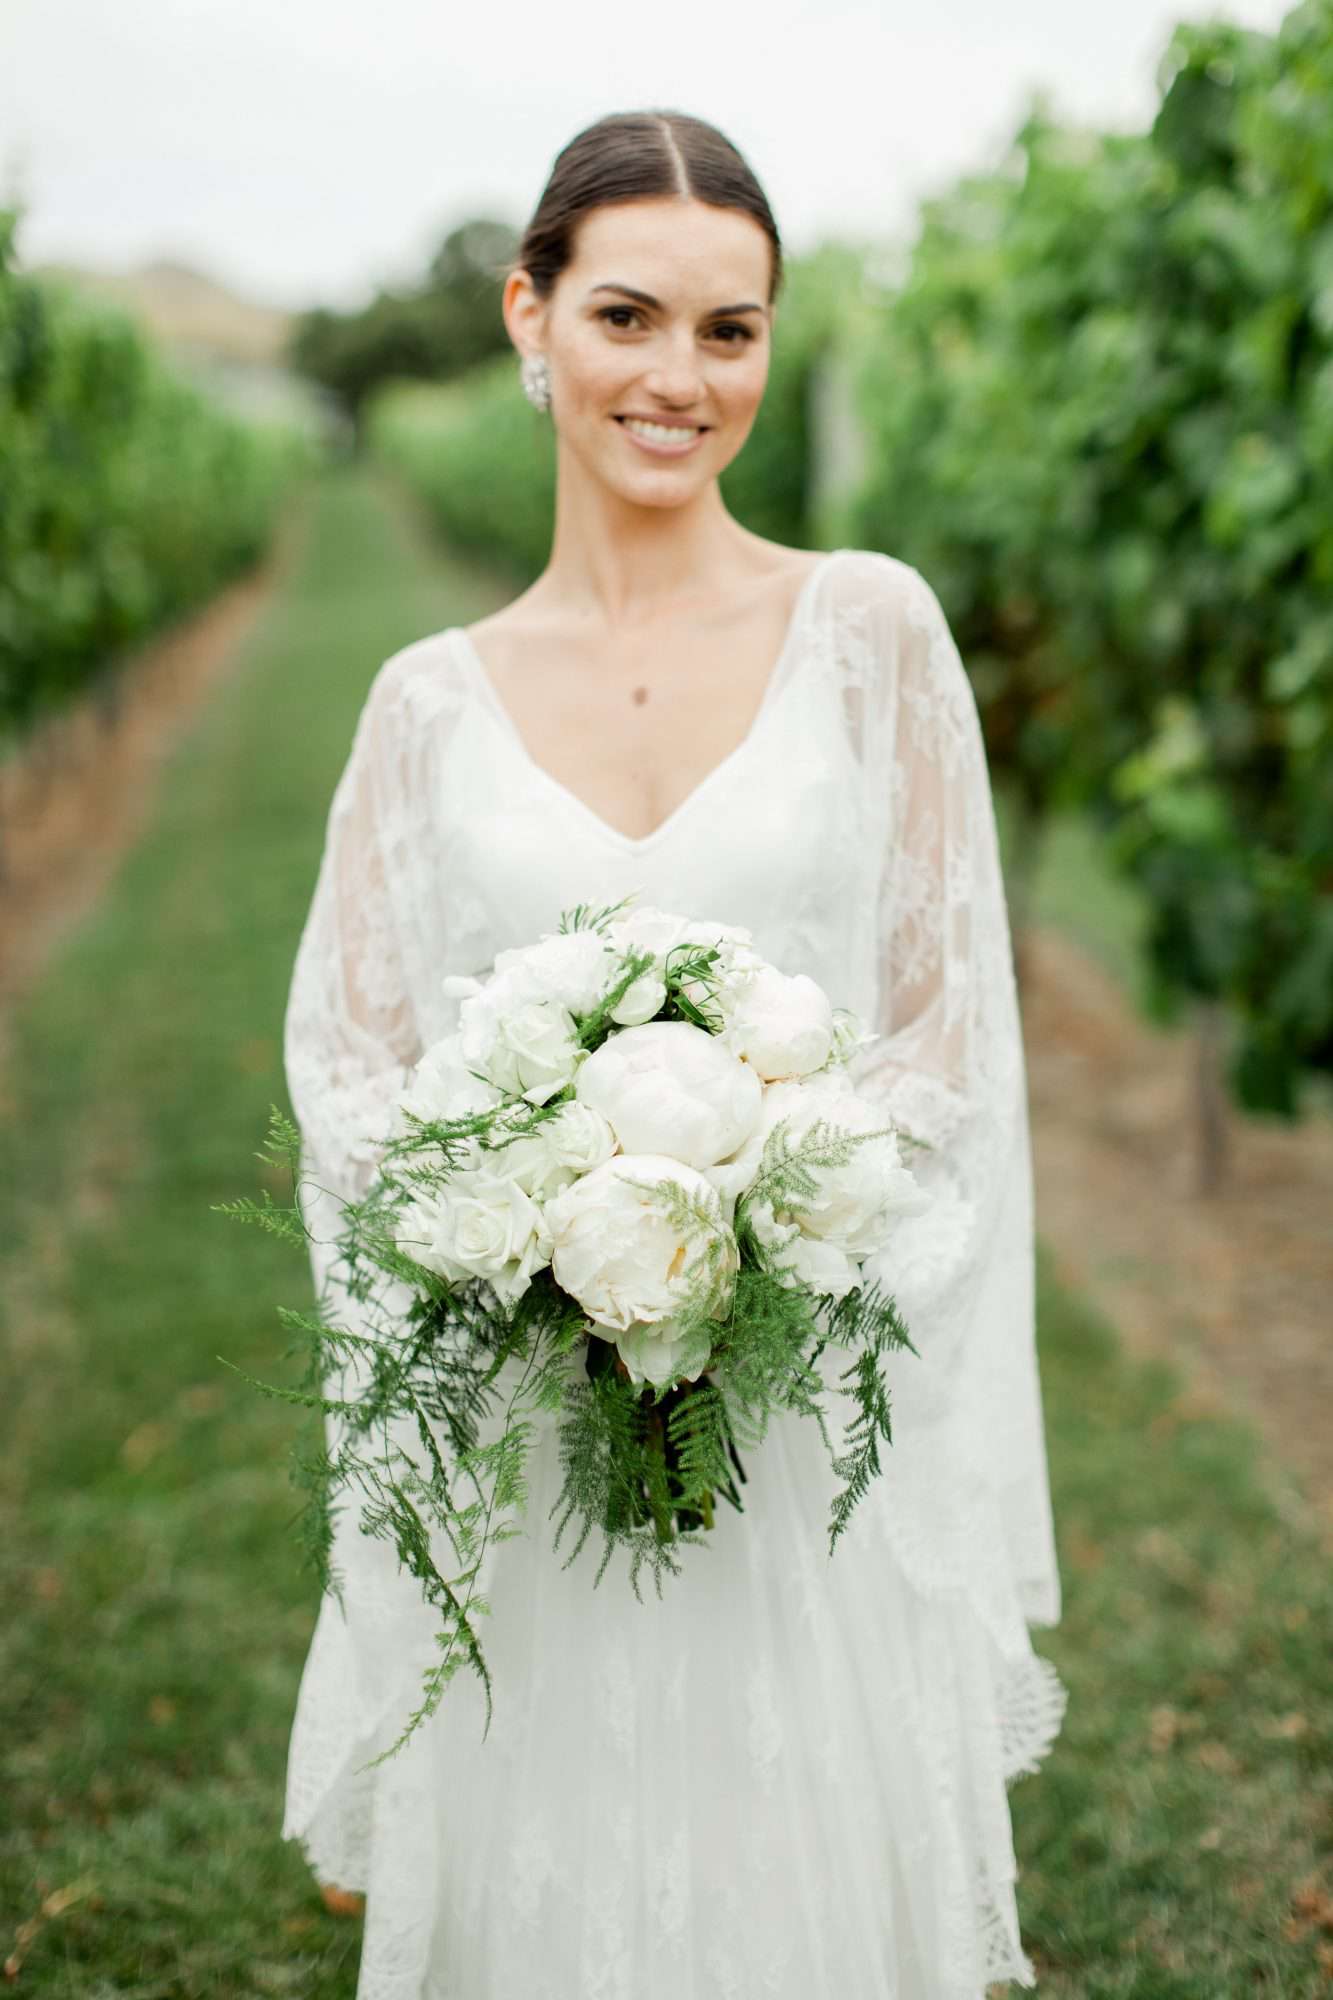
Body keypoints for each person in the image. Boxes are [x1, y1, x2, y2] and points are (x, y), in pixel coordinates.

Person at [280, 106, 1068, 2000]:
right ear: (527, 317)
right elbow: (351, 1072)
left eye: (733, 330)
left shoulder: (871, 630)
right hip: (529, 1441)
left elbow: (947, 1023)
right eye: (629, 316)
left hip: (797, 1421)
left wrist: (753, 1223)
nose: (679, 376)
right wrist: (537, 1235)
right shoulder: (422, 707)